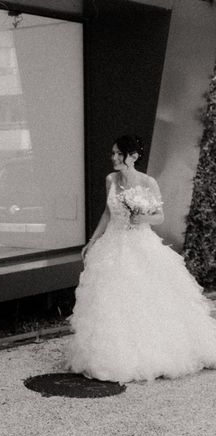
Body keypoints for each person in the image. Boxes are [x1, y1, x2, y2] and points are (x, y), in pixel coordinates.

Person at [66, 134, 216, 384]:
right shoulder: (110, 180)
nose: (113, 158)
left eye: (119, 154)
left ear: (133, 157)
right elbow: (107, 212)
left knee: (146, 299)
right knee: (110, 300)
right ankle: (110, 355)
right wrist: (92, 240)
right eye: (112, 153)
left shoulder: (148, 183)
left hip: (140, 244)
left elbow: (159, 216)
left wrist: (141, 218)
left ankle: (153, 352)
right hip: (113, 245)